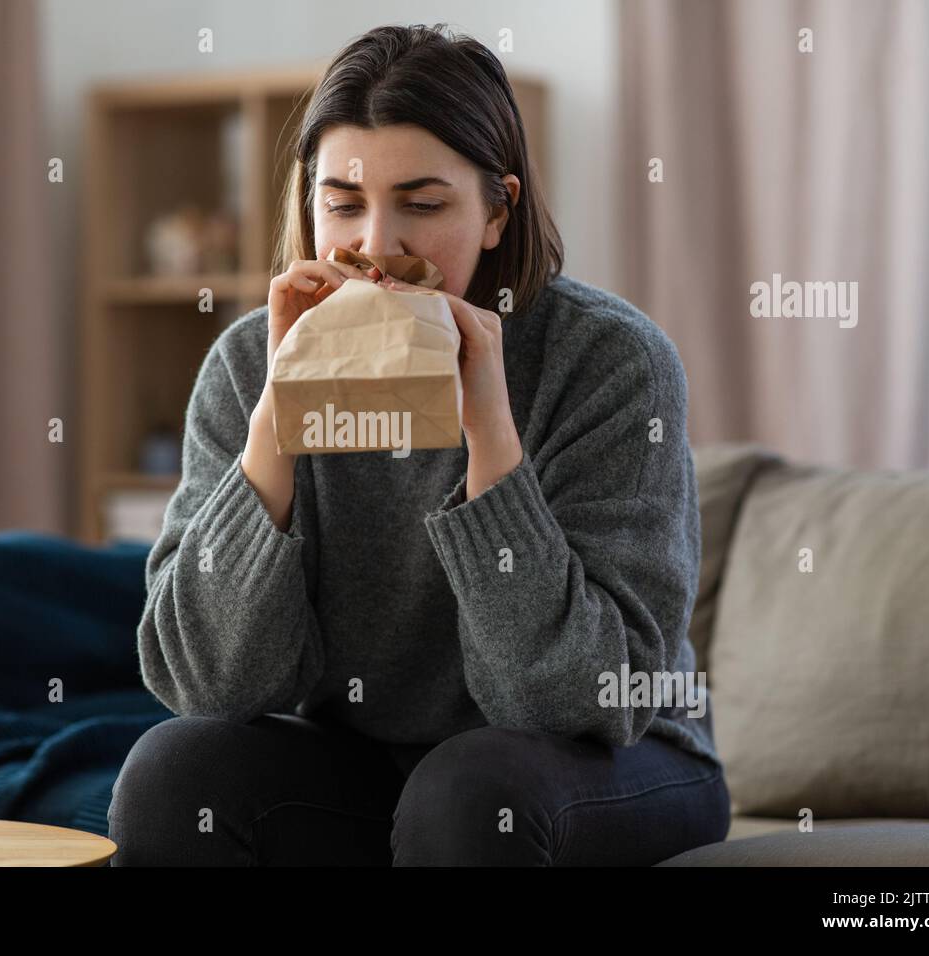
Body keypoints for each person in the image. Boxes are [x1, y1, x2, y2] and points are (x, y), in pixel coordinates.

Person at [107, 23, 730, 866]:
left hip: (610, 757)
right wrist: (274, 423)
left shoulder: (611, 363)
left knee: (472, 787)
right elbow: (207, 685)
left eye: (423, 204)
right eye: (343, 203)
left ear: (496, 211)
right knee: (172, 774)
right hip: (376, 761)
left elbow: (581, 700)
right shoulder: (248, 361)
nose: (376, 247)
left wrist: (490, 435)